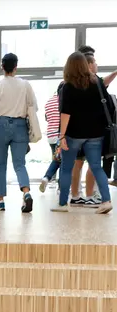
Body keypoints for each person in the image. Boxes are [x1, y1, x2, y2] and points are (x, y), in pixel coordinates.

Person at [52, 52, 113, 214]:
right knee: (96, 167)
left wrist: (62, 135)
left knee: (66, 168)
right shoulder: (97, 83)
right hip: (95, 134)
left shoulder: (68, 86)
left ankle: (63, 203)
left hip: (73, 134)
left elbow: (65, 113)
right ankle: (106, 201)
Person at [0, 53, 36, 213]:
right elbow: (34, 106)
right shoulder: (25, 85)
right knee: (20, 164)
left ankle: (0, 201)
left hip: (0, 125)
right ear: (16, 67)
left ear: (2, 67)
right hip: (20, 126)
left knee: (0, 164)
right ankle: (26, 193)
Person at [39, 91, 61, 193]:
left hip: (51, 134)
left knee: (56, 158)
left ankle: (48, 179)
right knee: (63, 161)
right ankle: (61, 186)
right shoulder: (63, 101)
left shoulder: (49, 102)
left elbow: (47, 118)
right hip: (60, 133)